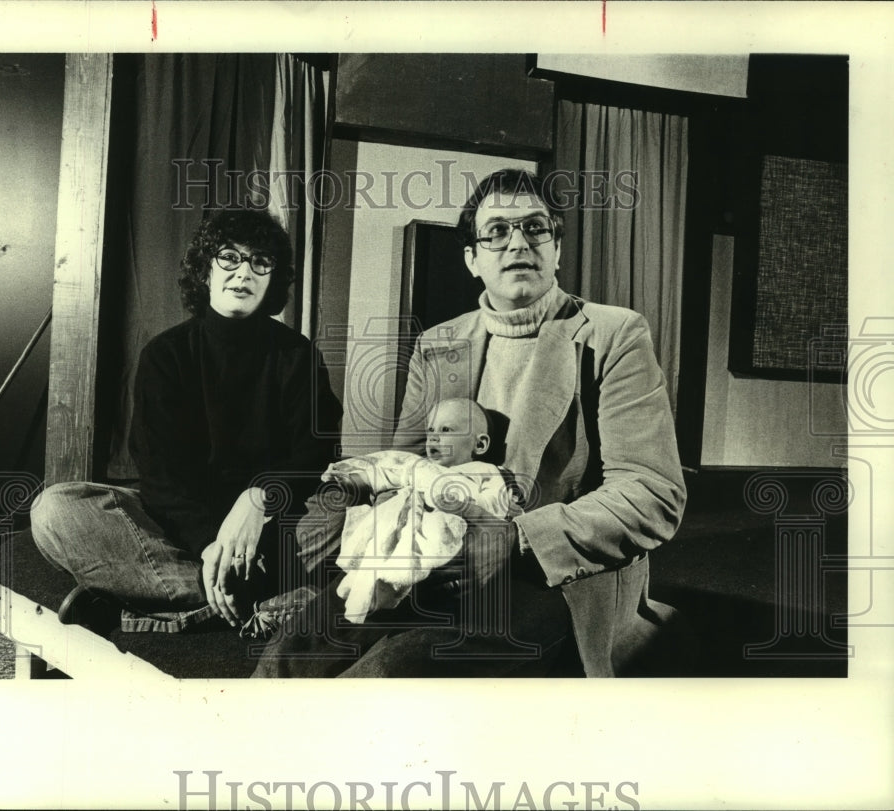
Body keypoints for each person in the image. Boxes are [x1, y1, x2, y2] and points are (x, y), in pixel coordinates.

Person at [252, 169, 685, 677]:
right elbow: (409, 468)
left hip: (551, 574)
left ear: (558, 250)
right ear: (472, 259)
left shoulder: (615, 334)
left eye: (535, 227)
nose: (518, 242)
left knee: (392, 673)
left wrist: (517, 539)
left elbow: (652, 491)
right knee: (291, 652)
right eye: (497, 230)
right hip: (434, 554)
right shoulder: (439, 343)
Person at [31, 208, 342, 633]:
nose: (243, 273)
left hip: (268, 529)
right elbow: (160, 476)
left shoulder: (298, 356)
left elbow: (314, 453)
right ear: (205, 270)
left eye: (260, 261)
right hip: (180, 528)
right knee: (56, 509)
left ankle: (155, 604)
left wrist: (259, 497)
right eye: (229, 257)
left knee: (348, 510)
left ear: (273, 278)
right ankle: (235, 598)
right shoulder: (165, 355)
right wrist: (212, 545)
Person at [327, 397, 516, 622]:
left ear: (480, 445)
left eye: (446, 429)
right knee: (381, 535)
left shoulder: (484, 471)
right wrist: (354, 478)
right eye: (430, 430)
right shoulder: (420, 466)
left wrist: (468, 504)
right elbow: (388, 472)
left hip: (453, 523)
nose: (434, 436)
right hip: (408, 515)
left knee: (432, 540)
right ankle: (370, 586)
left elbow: (495, 503)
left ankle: (394, 588)